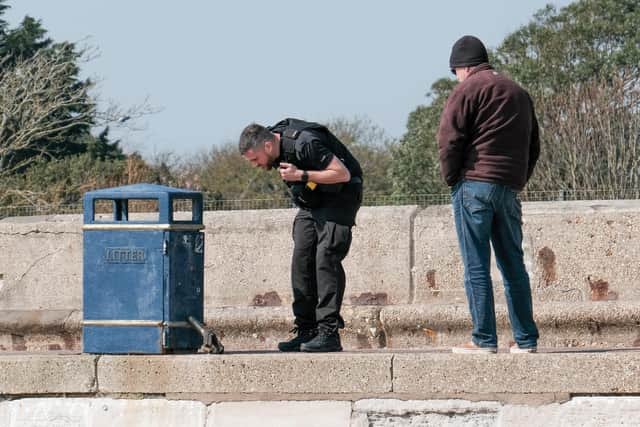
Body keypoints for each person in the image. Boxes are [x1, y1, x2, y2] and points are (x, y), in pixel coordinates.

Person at [437, 35, 540, 354]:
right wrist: (517, 179)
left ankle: (483, 339)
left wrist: (453, 179)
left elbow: (449, 139)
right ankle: (526, 340)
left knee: (476, 265)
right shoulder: (518, 91)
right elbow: (533, 144)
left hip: (474, 185)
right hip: (508, 188)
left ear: (461, 67)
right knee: (513, 265)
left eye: (455, 71)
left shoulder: (466, 89)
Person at [239, 118, 363, 352]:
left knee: (326, 256)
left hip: (341, 196)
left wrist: (302, 175)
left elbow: (342, 174)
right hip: (314, 200)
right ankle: (307, 330)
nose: (255, 165)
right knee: (302, 258)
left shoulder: (304, 142)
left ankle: (329, 332)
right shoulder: (275, 145)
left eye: (255, 160)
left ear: (267, 146)